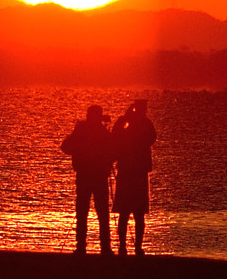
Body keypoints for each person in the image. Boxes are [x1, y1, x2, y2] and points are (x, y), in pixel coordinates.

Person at [60, 104, 114, 256]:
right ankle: (105, 248)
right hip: (98, 176)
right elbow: (114, 151)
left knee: (83, 211)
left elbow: (65, 147)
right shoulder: (102, 132)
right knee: (102, 212)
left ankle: (81, 247)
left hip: (85, 175)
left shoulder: (82, 130)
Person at [111, 99, 157, 256]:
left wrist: (125, 117)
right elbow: (116, 135)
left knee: (132, 213)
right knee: (134, 213)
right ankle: (132, 247)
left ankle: (128, 246)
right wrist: (126, 118)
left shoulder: (135, 125)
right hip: (135, 172)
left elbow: (116, 135)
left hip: (131, 172)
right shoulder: (144, 124)